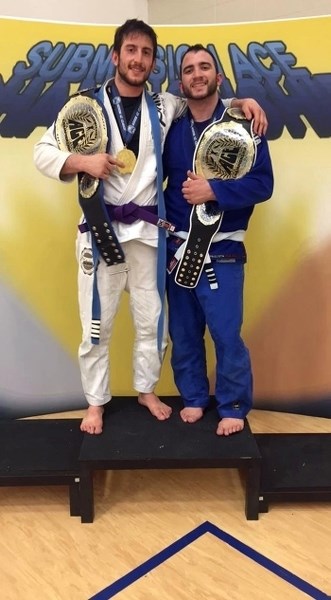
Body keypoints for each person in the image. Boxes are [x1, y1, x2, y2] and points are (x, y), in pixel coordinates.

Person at [34, 20, 268, 435]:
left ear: (153, 63)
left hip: (147, 235)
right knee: (96, 323)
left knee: (152, 321)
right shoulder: (84, 107)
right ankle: (95, 403)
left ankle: (146, 390)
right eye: (131, 51)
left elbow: (208, 101)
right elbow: (42, 152)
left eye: (146, 53)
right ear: (116, 56)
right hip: (100, 230)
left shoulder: (164, 107)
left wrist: (243, 101)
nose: (138, 59)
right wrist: (82, 162)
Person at [163, 44, 274, 436]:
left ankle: (233, 404)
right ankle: (193, 397)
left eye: (204, 67)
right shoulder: (171, 127)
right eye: (190, 69)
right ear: (181, 82)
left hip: (223, 250)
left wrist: (214, 190)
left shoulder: (243, 124)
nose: (197, 74)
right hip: (178, 250)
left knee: (226, 334)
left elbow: (263, 184)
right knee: (184, 334)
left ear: (218, 78)